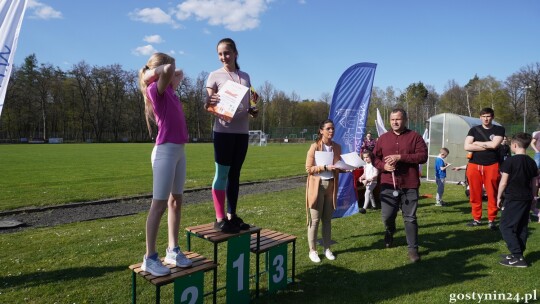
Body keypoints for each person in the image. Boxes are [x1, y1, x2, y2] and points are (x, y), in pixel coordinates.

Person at [138, 53, 192, 276]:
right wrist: (152, 74)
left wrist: (164, 72)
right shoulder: (155, 90)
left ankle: (173, 249)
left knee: (176, 201)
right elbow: (170, 69)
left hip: (179, 150)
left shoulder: (169, 90)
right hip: (165, 152)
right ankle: (149, 258)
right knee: (158, 205)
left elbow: (177, 73)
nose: (174, 71)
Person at [205, 38, 258, 233]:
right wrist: (209, 102)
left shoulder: (245, 76)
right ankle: (219, 219)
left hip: (241, 133)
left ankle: (231, 215)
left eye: (226, 53)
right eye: (220, 54)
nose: (223, 57)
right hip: (223, 132)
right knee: (222, 174)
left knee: (235, 175)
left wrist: (252, 110)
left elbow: (249, 101)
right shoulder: (214, 75)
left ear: (236, 53)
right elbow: (209, 104)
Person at [372, 108, 428, 263]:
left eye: (398, 119)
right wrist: (383, 166)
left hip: (409, 184)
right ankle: (390, 230)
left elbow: (423, 156)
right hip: (388, 185)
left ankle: (413, 249)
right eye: (392, 120)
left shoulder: (415, 137)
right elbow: (374, 158)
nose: (395, 122)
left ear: (405, 120)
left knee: (410, 218)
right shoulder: (383, 139)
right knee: (387, 216)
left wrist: (400, 157)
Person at [497, 133, 538, 268]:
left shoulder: (510, 161)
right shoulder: (531, 162)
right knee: (521, 226)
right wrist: (534, 197)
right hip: (526, 197)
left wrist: (498, 196)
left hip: (514, 198)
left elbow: (503, 182)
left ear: (514, 145)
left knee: (505, 226)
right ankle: (517, 253)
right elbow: (535, 183)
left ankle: (518, 256)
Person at [305, 119, 342, 263]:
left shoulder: (337, 147)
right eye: (328, 129)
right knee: (314, 220)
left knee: (327, 220)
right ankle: (312, 250)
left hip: (331, 186)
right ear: (321, 131)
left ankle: (327, 248)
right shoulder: (314, 147)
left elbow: (337, 166)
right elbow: (309, 169)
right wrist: (324, 167)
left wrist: (345, 168)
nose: (331, 131)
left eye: (333, 128)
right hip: (317, 186)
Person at [464, 108, 505, 230]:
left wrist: (476, 143)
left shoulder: (499, 129)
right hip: (474, 165)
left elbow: (494, 145)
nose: (486, 119)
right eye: (483, 116)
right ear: (480, 117)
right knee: (474, 193)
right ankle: (476, 218)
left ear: (492, 117)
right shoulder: (474, 129)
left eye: (488, 116)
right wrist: (488, 145)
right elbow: (467, 146)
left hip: (492, 165)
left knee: (492, 193)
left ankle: (491, 219)